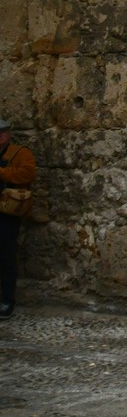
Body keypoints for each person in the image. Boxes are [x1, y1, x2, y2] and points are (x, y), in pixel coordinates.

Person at [0, 119, 37, 321]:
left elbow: (28, 173)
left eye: (2, 132)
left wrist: (2, 173)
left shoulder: (20, 153)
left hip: (6, 212)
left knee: (6, 257)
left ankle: (7, 300)